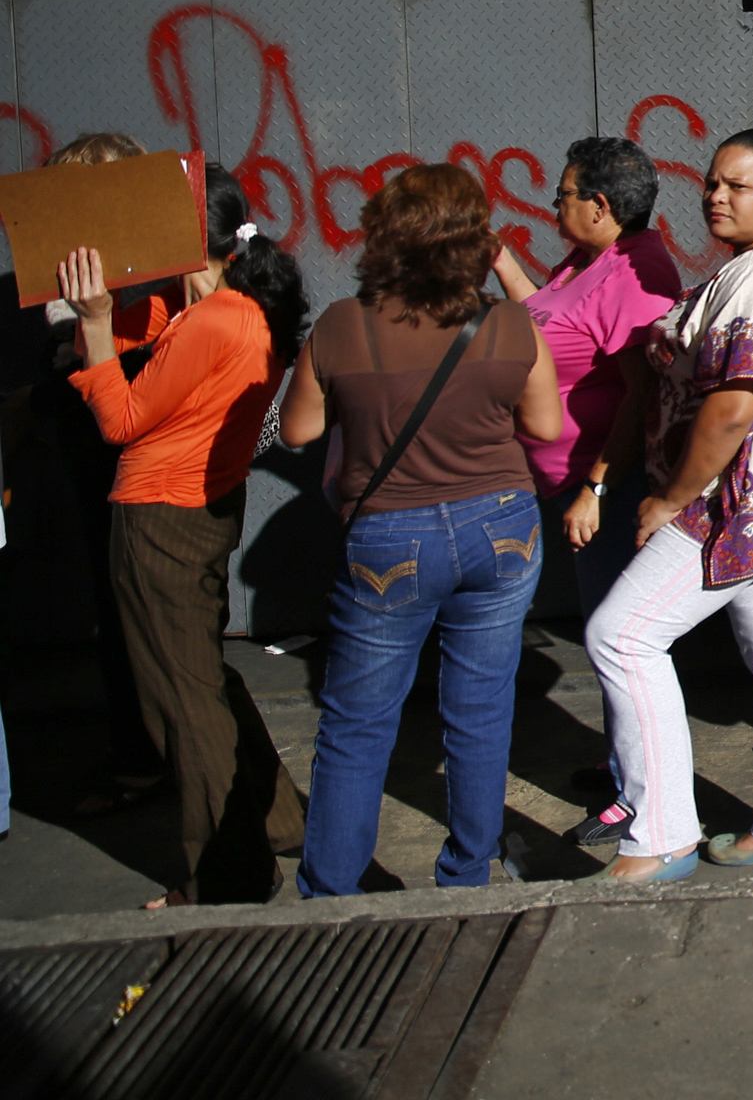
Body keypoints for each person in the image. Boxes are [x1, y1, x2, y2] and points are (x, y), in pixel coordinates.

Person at [277, 165, 562, 895]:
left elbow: (301, 428)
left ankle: (331, 892)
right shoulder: (508, 323)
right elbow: (545, 425)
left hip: (388, 537)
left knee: (358, 725)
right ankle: (467, 874)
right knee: (479, 711)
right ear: (476, 239)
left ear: (381, 237)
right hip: (503, 528)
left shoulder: (343, 324)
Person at [585, 130, 753, 882]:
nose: (717, 197)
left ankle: (661, 832)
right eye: (711, 183)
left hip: (738, 498)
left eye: (738, 186)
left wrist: (671, 498)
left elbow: (735, 408)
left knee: (621, 637)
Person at [57, 166, 310, 907]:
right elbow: (111, 351)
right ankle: (276, 820)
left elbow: (121, 421)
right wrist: (98, 321)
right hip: (200, 511)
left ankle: (228, 876)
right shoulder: (225, 302)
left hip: (160, 518)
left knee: (179, 701)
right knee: (203, 680)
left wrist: (99, 323)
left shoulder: (216, 319)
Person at [24, 133, 170, 809]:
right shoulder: (64, 282)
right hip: (93, 435)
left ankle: (160, 753)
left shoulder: (166, 268)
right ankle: (139, 753)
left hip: (143, 427)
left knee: (159, 600)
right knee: (117, 601)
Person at [493, 136, 683, 616]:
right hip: (565, 482)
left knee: (615, 635)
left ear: (599, 206)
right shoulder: (585, 260)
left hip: (610, 493)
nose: (555, 208)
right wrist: (499, 260)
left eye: (563, 196)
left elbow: (643, 395)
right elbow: (546, 325)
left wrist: (595, 489)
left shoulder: (634, 275)